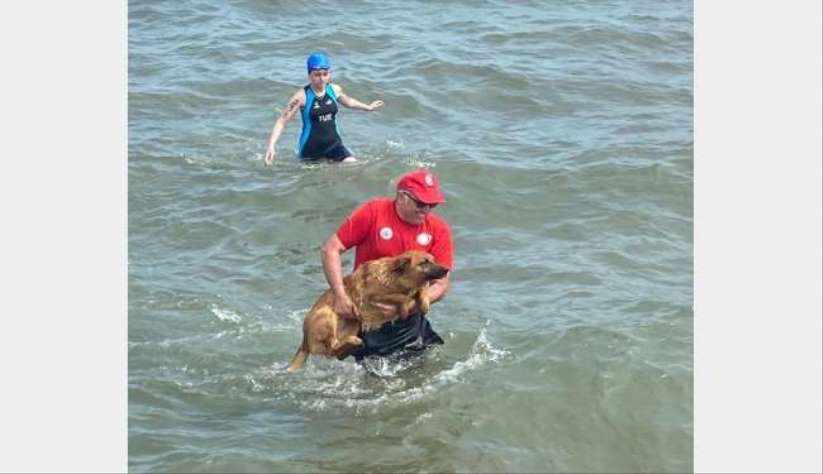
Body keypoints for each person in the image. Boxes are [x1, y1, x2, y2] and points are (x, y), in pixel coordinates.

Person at [320, 169, 454, 360]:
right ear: (402, 196)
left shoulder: (439, 229)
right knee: (372, 376)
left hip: (407, 313)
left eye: (432, 205)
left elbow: (441, 284)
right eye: (421, 203)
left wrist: (411, 306)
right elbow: (331, 249)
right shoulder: (373, 212)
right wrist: (340, 296)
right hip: (368, 309)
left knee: (426, 369)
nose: (426, 210)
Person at [264, 52, 384, 165]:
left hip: (334, 145)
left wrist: (368, 107)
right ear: (309, 74)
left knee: (353, 165)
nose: (322, 79)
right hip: (310, 148)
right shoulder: (302, 96)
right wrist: (271, 146)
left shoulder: (334, 90)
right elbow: (282, 121)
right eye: (317, 75)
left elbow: (349, 102)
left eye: (325, 74)